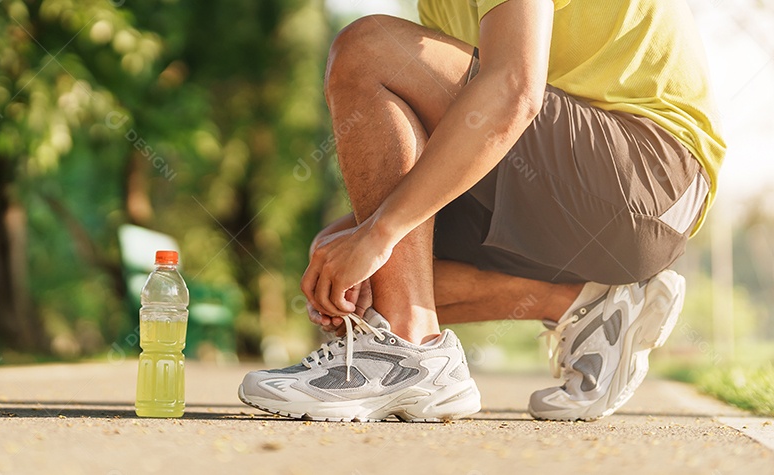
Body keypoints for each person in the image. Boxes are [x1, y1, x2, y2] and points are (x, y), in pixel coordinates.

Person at [238, 0, 725, 422]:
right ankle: (583, 300)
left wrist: (381, 232)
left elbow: (513, 90)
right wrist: (373, 243)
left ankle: (409, 351)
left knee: (369, 47)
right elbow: (463, 126)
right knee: (341, 270)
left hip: (652, 179)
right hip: (578, 195)